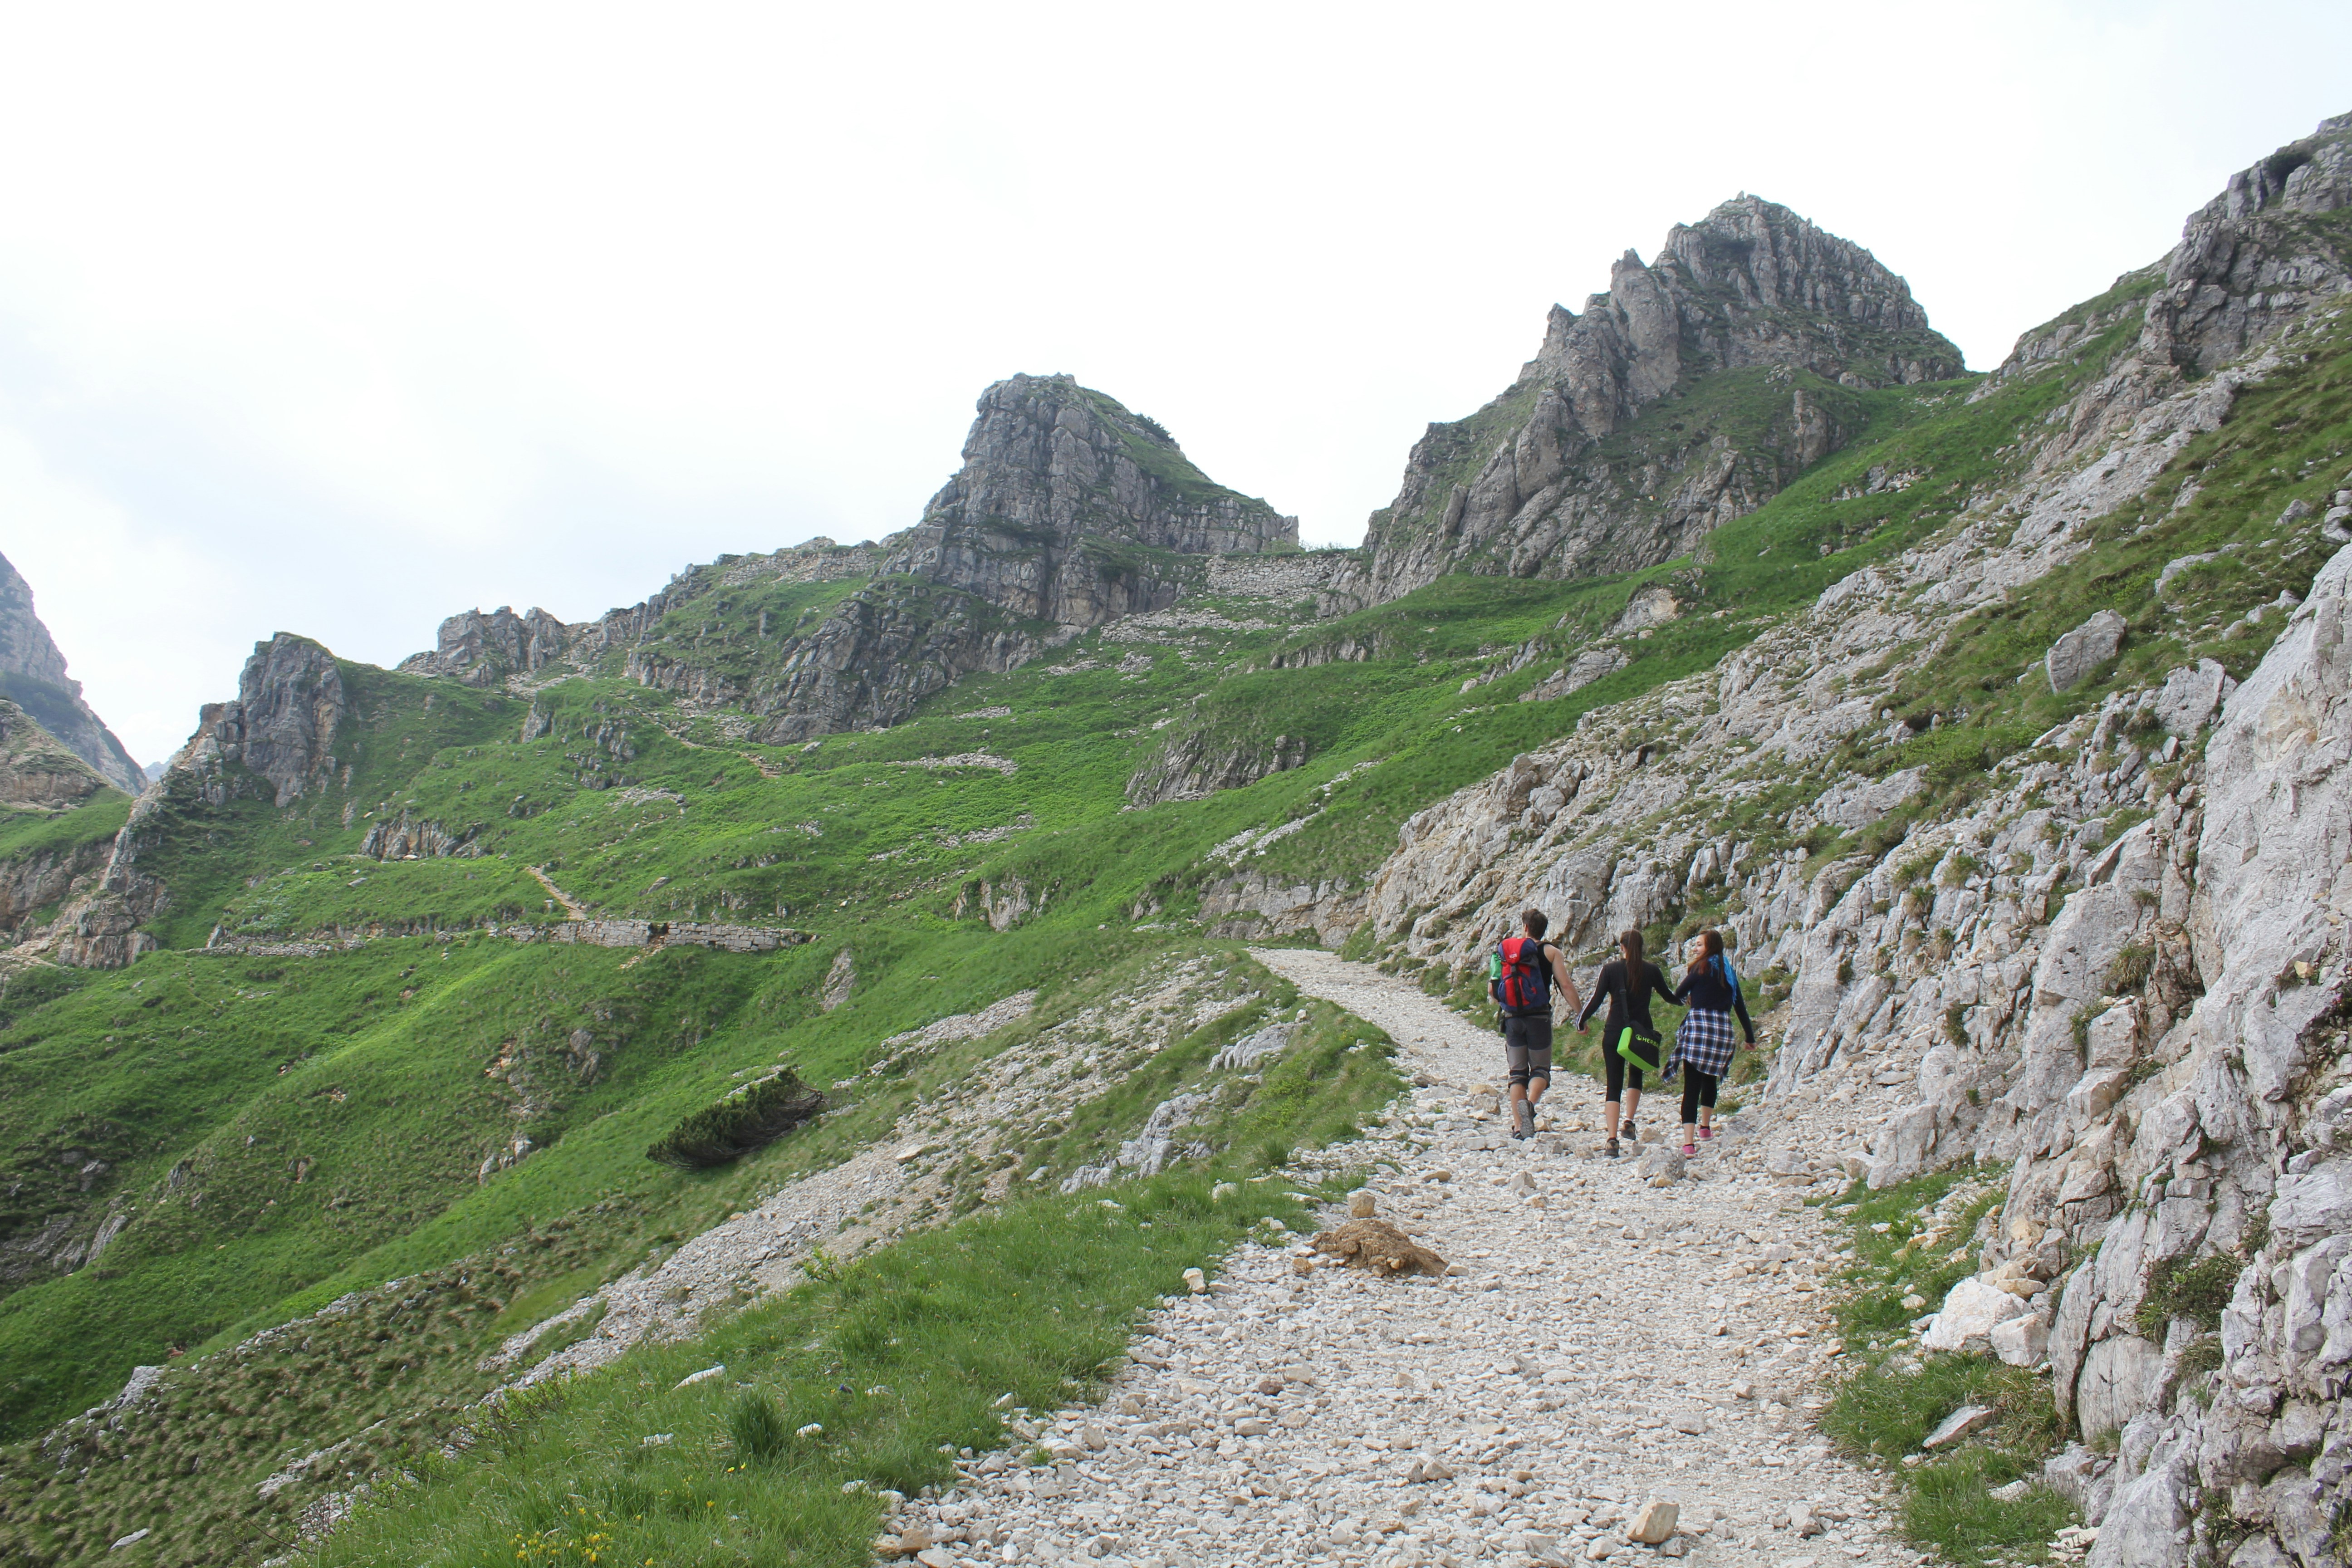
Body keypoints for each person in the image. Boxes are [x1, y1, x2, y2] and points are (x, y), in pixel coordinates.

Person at [1575, 930, 1678, 1158]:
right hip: (1641, 1034)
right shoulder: (1652, 970)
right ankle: (1629, 1122)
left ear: (1622, 947)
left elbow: (1596, 999)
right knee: (1636, 1075)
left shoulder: (1611, 970)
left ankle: (1612, 1141)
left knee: (1614, 1084)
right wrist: (1685, 999)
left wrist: (1581, 1021)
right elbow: (1669, 996)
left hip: (1615, 1032)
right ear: (1642, 947)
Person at [1489, 909, 1582, 1140]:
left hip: (1513, 1019)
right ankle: (1529, 1105)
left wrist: (1508, 1004)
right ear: (1544, 929)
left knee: (1517, 1075)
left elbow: (1492, 990)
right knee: (1540, 1070)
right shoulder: (1552, 952)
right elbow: (1566, 986)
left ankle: (1519, 1128)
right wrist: (1581, 1014)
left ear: (1526, 927)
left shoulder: (1506, 952)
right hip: (1539, 1018)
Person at [1671, 928, 1755, 1156]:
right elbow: (1740, 1006)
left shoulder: (1700, 967)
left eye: (1699, 945)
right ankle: (1706, 1128)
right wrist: (1750, 1037)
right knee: (1710, 1079)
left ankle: (1689, 1144)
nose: (1695, 949)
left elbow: (1679, 994)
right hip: (1722, 1031)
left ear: (1710, 946)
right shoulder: (1729, 972)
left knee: (1691, 1086)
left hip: (1699, 1029)